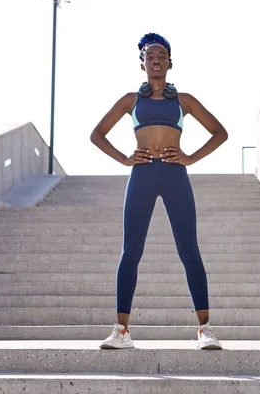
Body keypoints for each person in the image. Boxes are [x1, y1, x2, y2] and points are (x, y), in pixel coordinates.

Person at [89, 32, 228, 350]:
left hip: (175, 175)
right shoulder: (130, 100)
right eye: (150, 55)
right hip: (142, 175)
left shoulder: (185, 100)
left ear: (169, 62)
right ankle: (121, 332)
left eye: (161, 55)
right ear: (142, 63)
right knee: (131, 253)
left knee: (189, 251)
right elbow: (97, 134)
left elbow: (221, 132)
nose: (155, 59)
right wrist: (124, 159)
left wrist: (191, 157)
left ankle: (205, 330)